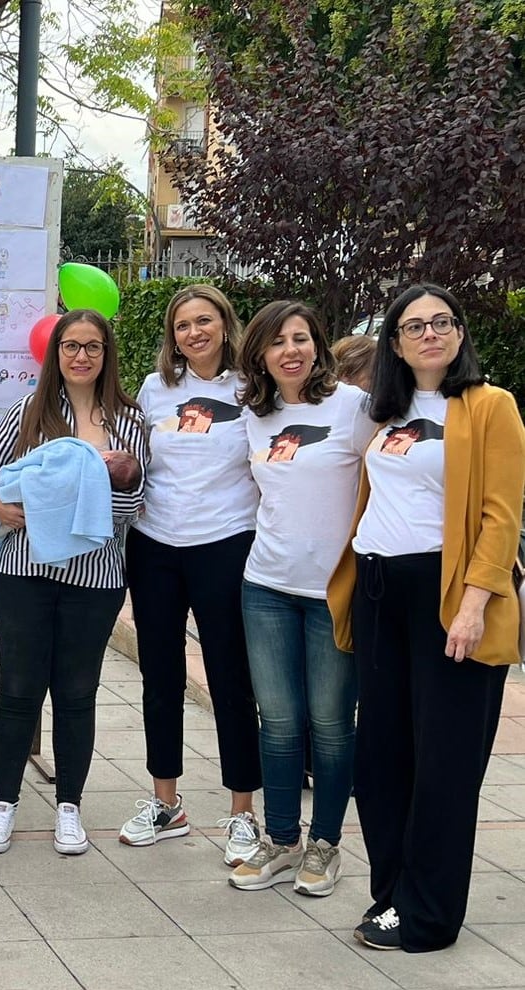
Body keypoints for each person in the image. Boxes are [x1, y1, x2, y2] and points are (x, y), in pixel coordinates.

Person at [328, 285, 525, 951]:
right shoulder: (384, 410)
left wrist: (473, 602)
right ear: (394, 343)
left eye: (442, 322)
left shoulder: (488, 406)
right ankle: (391, 894)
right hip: (378, 588)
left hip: (446, 596)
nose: (430, 333)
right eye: (414, 326)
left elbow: (500, 514)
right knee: (379, 758)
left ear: (460, 334)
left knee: (442, 761)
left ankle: (428, 914)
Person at [0, 308, 147, 856]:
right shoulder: (30, 412)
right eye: (71, 346)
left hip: (95, 579)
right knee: (17, 691)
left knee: (76, 694)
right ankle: (4, 806)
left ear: (106, 354)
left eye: (92, 346)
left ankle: (70, 807)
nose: (81, 356)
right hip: (23, 574)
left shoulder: (129, 421)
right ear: (55, 353)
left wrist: (78, 503)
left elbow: (136, 501)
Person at [230, 300, 376, 896]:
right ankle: (282, 839)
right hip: (265, 586)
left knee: (332, 725)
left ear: (317, 345)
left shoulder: (354, 408)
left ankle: (325, 845)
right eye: (277, 341)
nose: (290, 350)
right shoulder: (254, 415)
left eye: (301, 338)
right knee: (280, 723)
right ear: (260, 354)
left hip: (333, 593)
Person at [119, 285, 263, 866]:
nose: (194, 333)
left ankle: (242, 814)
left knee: (231, 681)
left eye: (204, 321)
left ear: (226, 326)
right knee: (159, 677)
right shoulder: (157, 389)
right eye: (182, 326)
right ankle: (166, 802)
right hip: (155, 546)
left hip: (225, 544)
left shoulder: (254, 390)